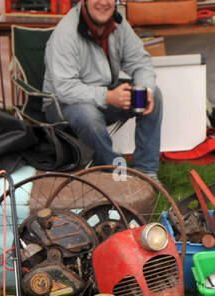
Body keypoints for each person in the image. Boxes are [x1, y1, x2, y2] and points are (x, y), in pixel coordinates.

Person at [43, 0, 162, 176]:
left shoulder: (118, 24)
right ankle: (114, 173)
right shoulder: (66, 33)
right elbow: (65, 88)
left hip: (105, 94)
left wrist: (146, 88)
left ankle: (146, 173)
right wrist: (108, 96)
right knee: (88, 117)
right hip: (63, 103)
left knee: (153, 95)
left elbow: (140, 62)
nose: (103, 3)